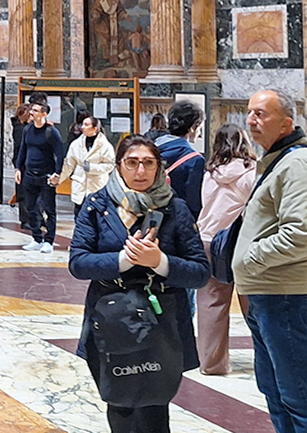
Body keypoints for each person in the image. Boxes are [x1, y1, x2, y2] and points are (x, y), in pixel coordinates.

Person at [68, 133, 210, 433]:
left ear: (160, 167)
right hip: (110, 320)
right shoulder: (97, 205)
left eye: (148, 163)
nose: (140, 171)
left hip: (161, 319)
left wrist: (159, 262)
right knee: (119, 401)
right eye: (132, 163)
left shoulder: (175, 208)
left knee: (155, 404)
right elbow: (78, 263)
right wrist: (123, 260)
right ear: (119, 166)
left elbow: (199, 271)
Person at [233, 89, 307, 433]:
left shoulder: (300, 163)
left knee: (299, 396)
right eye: (250, 112)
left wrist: (248, 258)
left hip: (285, 297)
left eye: (261, 114)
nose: (251, 120)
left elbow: (299, 235)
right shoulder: (279, 160)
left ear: (286, 123)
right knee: (276, 392)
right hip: (268, 293)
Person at [197, 123, 257, 375]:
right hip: (239, 242)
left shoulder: (210, 172)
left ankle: (212, 363)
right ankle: (268, 356)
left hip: (209, 238)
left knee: (211, 302)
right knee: (253, 302)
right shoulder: (251, 172)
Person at [14, 98, 62, 248]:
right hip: (29, 174)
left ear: (44, 114)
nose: (31, 113)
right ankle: (36, 238)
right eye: (31, 110)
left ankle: (49, 241)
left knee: (49, 209)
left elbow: (60, 154)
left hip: (46, 175)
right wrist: (18, 168)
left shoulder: (51, 132)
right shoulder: (28, 129)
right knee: (31, 207)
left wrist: (57, 174)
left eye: (35, 110)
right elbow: (23, 150)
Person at [57, 115, 117, 217]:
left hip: (96, 185)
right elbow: (69, 165)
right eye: (82, 124)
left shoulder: (106, 146)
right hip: (80, 185)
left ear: (95, 128)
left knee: (95, 218)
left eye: (86, 125)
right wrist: (58, 179)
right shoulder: (76, 144)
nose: (82, 127)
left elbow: (110, 165)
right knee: (79, 217)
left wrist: (92, 168)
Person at [156, 101, 206, 220]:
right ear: (193, 127)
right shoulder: (194, 160)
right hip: (176, 219)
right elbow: (193, 203)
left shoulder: (151, 149)